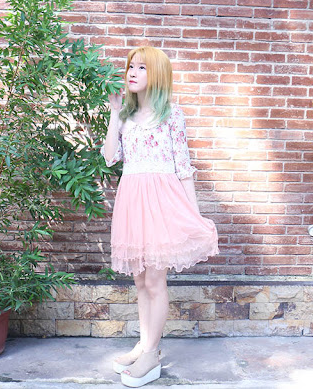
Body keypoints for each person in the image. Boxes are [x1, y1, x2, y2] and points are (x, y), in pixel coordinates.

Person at [102, 46, 219, 387]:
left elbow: (184, 168)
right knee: (140, 281)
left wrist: (193, 214)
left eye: (142, 67)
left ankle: (152, 355)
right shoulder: (125, 115)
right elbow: (110, 158)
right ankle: (144, 345)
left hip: (162, 202)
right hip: (132, 200)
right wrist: (114, 113)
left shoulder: (172, 115)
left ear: (158, 75)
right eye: (131, 66)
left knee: (155, 281)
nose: (132, 72)